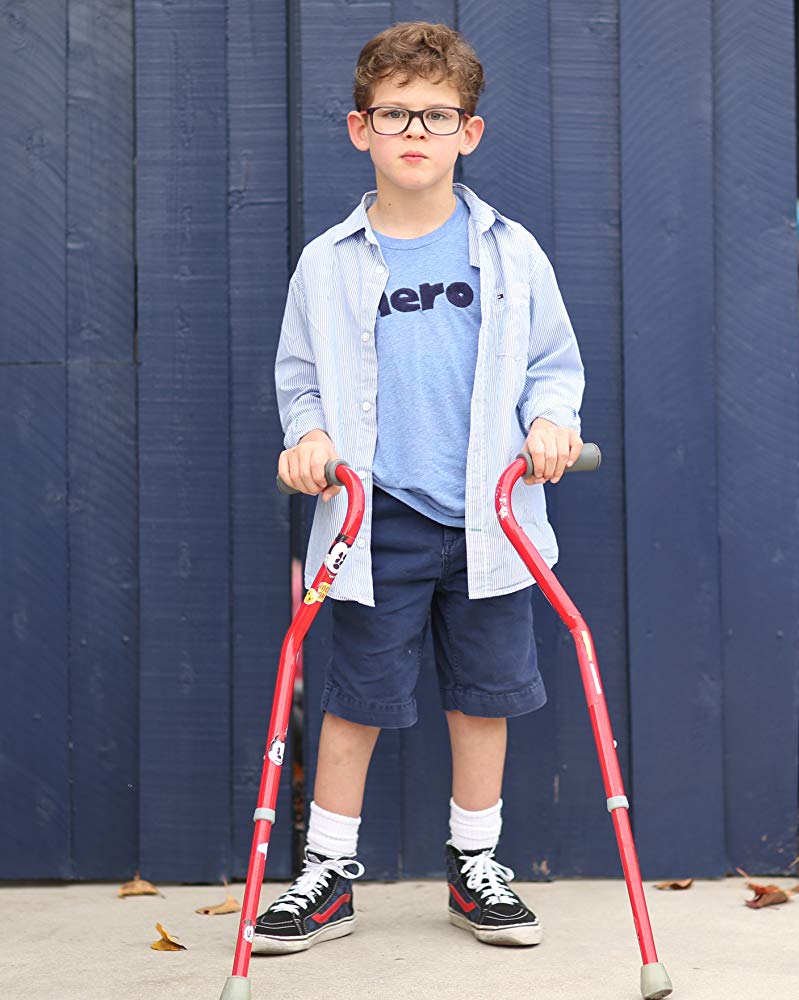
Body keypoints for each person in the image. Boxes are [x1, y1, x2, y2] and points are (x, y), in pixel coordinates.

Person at [255, 20, 584, 955]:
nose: (414, 131)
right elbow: (300, 378)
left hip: (492, 517)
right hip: (375, 519)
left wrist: (549, 423)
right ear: (360, 127)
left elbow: (551, 366)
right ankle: (326, 875)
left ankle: (476, 866)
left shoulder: (510, 252)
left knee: (484, 696)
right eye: (394, 113)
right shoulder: (328, 261)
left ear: (467, 133)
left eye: (437, 116)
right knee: (356, 698)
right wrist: (308, 436)